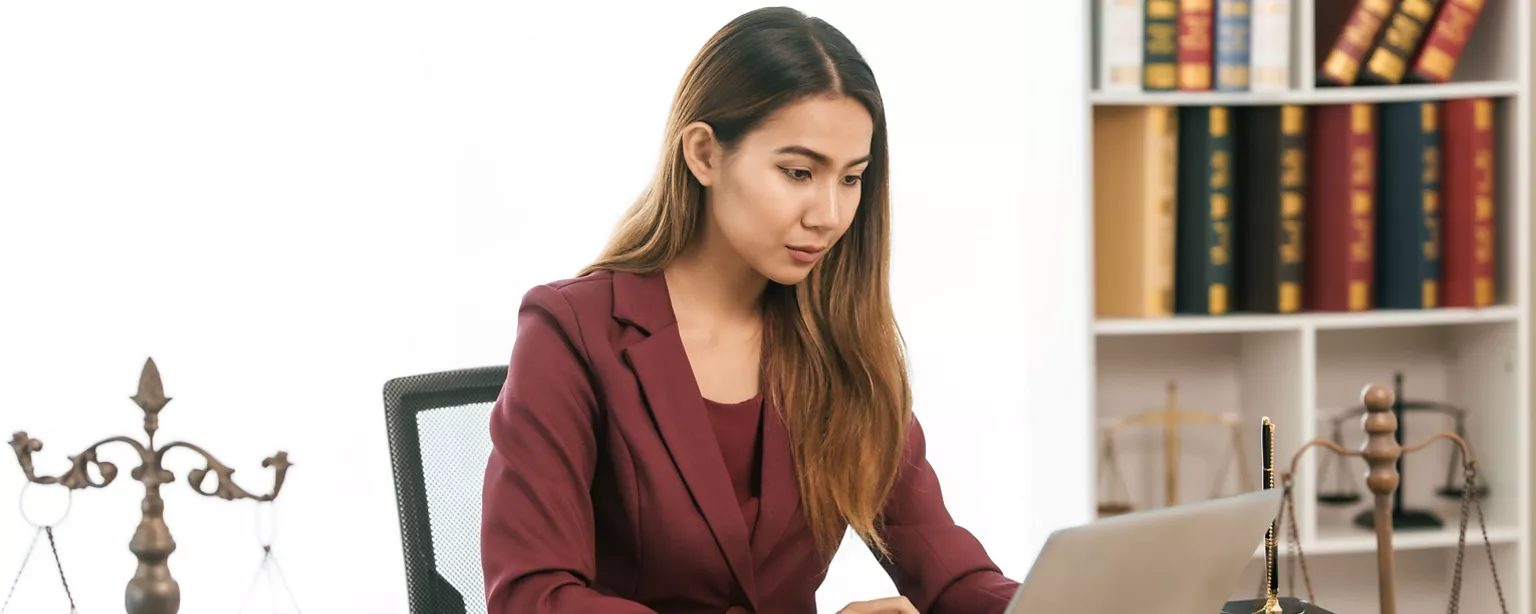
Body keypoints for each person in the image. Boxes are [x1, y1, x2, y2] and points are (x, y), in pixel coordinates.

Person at [481, 6, 1020, 613]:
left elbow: (950, 573)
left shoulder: (839, 345)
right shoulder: (573, 332)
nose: (830, 216)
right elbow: (532, 596)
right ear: (705, 154)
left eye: (851, 179)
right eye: (798, 172)